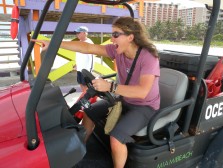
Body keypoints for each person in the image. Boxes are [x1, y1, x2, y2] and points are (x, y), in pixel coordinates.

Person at [32, 16, 160, 168]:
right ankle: (80, 152)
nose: (111, 39)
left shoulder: (148, 58)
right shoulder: (118, 51)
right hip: (124, 100)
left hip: (145, 107)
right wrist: (54, 43)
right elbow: (87, 48)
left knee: (116, 137)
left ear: (130, 37)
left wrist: (111, 87)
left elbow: (142, 92)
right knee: (89, 111)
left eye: (116, 35)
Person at [74, 26, 94, 92]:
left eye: (79, 32)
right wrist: (76, 65)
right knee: (81, 83)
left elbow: (91, 59)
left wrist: (89, 70)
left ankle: (88, 99)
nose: (77, 34)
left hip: (86, 69)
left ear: (85, 33)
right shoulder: (79, 42)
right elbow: (79, 56)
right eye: (76, 33)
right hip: (79, 68)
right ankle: (85, 97)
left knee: (87, 86)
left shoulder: (89, 43)